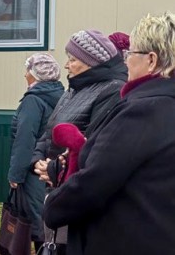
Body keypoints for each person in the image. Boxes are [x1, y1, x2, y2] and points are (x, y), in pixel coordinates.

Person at [44, 13, 175, 254]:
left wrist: (52, 205)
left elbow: (96, 180)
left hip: (126, 240)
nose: (125, 62)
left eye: (130, 54)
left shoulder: (143, 111)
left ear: (152, 59)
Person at [31, 29, 127, 253]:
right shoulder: (73, 89)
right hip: (56, 185)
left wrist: (55, 168)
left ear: (90, 62)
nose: (66, 65)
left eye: (72, 59)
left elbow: (94, 143)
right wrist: (37, 159)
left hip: (76, 189)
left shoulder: (111, 90)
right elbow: (50, 130)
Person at [7, 54, 64, 251]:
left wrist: (16, 174)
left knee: (35, 218)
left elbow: (25, 138)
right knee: (47, 214)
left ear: (35, 75)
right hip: (53, 166)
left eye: (27, 71)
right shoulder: (62, 96)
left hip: (33, 170)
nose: (24, 75)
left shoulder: (33, 100)